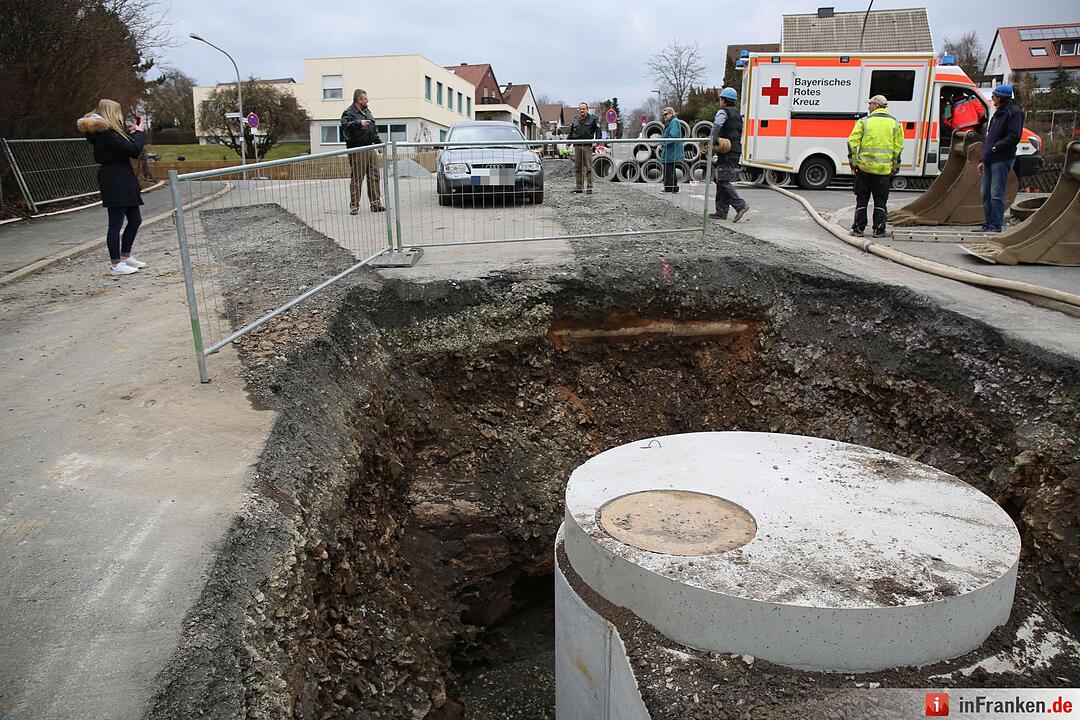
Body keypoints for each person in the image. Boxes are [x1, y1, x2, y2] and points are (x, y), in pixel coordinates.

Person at [77, 99, 147, 275]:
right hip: (115, 179)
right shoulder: (107, 134)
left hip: (123, 177)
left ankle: (125, 256)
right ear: (112, 113)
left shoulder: (111, 134)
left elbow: (125, 147)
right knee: (115, 223)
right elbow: (133, 150)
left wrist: (132, 134)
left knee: (135, 219)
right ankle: (116, 264)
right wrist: (139, 133)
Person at [847, 94, 904, 238]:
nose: (869, 106)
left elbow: (852, 143)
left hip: (864, 169)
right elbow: (898, 148)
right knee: (880, 200)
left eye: (871, 104)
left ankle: (858, 229)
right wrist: (894, 167)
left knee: (862, 199)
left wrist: (853, 163)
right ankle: (879, 230)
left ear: (877, 106)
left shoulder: (864, 122)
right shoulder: (896, 124)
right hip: (883, 171)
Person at [979, 85, 1024, 233]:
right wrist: (983, 159)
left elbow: (1014, 136)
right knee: (985, 193)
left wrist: (997, 147)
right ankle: (988, 223)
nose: (992, 97)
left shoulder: (1014, 113)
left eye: (994, 95)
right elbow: (990, 137)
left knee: (996, 194)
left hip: (1002, 158)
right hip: (990, 158)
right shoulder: (998, 113)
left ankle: (995, 225)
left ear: (1001, 98)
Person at [340, 89, 385, 214]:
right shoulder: (349, 113)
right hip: (358, 149)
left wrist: (378, 143)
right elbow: (344, 126)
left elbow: (373, 130)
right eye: (365, 99)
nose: (367, 100)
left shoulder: (367, 112)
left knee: (374, 176)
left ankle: (376, 204)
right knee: (357, 178)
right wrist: (358, 123)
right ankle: (354, 206)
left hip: (370, 148)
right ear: (359, 100)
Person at [709, 87, 750, 222]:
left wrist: (711, 141)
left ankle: (740, 205)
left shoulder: (723, 112)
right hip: (735, 150)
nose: (719, 101)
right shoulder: (738, 114)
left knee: (723, 180)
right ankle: (721, 212)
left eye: (720, 99)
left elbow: (716, 126)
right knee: (720, 179)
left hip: (726, 151)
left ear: (723, 100)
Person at [567, 102, 601, 194]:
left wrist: (596, 141)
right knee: (578, 167)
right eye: (580, 109)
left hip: (587, 146)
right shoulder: (575, 120)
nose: (582, 110)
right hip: (577, 146)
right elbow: (571, 132)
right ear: (578, 110)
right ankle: (579, 187)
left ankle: (589, 187)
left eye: (583, 109)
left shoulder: (592, 119)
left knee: (589, 168)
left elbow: (598, 130)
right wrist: (568, 143)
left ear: (587, 109)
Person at [659, 106, 684, 193]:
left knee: (668, 170)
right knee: (669, 169)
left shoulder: (673, 122)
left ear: (671, 113)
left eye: (666, 114)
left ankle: (669, 188)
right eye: (663, 115)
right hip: (670, 150)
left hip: (671, 150)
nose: (664, 116)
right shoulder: (672, 122)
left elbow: (673, 136)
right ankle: (672, 187)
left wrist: (664, 143)